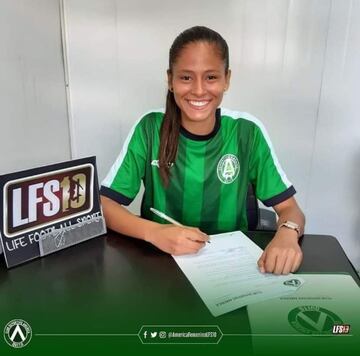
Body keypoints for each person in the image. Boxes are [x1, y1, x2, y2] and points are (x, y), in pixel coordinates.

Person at [100, 26, 305, 275]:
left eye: (211, 77)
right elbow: (104, 204)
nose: (198, 90)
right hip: (161, 264)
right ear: (170, 80)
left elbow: (289, 209)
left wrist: (287, 234)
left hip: (231, 267)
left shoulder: (246, 132)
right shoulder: (150, 128)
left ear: (227, 79)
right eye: (186, 77)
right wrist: (155, 232)